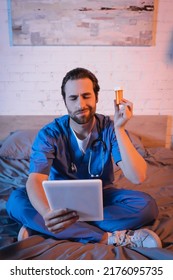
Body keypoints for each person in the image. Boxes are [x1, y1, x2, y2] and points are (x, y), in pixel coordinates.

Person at [7, 67, 162, 248]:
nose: (80, 104)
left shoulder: (110, 128)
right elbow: (36, 179)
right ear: (65, 101)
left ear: (96, 97)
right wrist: (47, 212)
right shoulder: (50, 133)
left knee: (147, 206)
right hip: (58, 201)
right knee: (16, 201)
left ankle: (45, 228)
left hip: (102, 197)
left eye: (86, 96)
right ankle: (106, 237)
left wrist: (120, 128)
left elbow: (138, 176)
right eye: (73, 98)